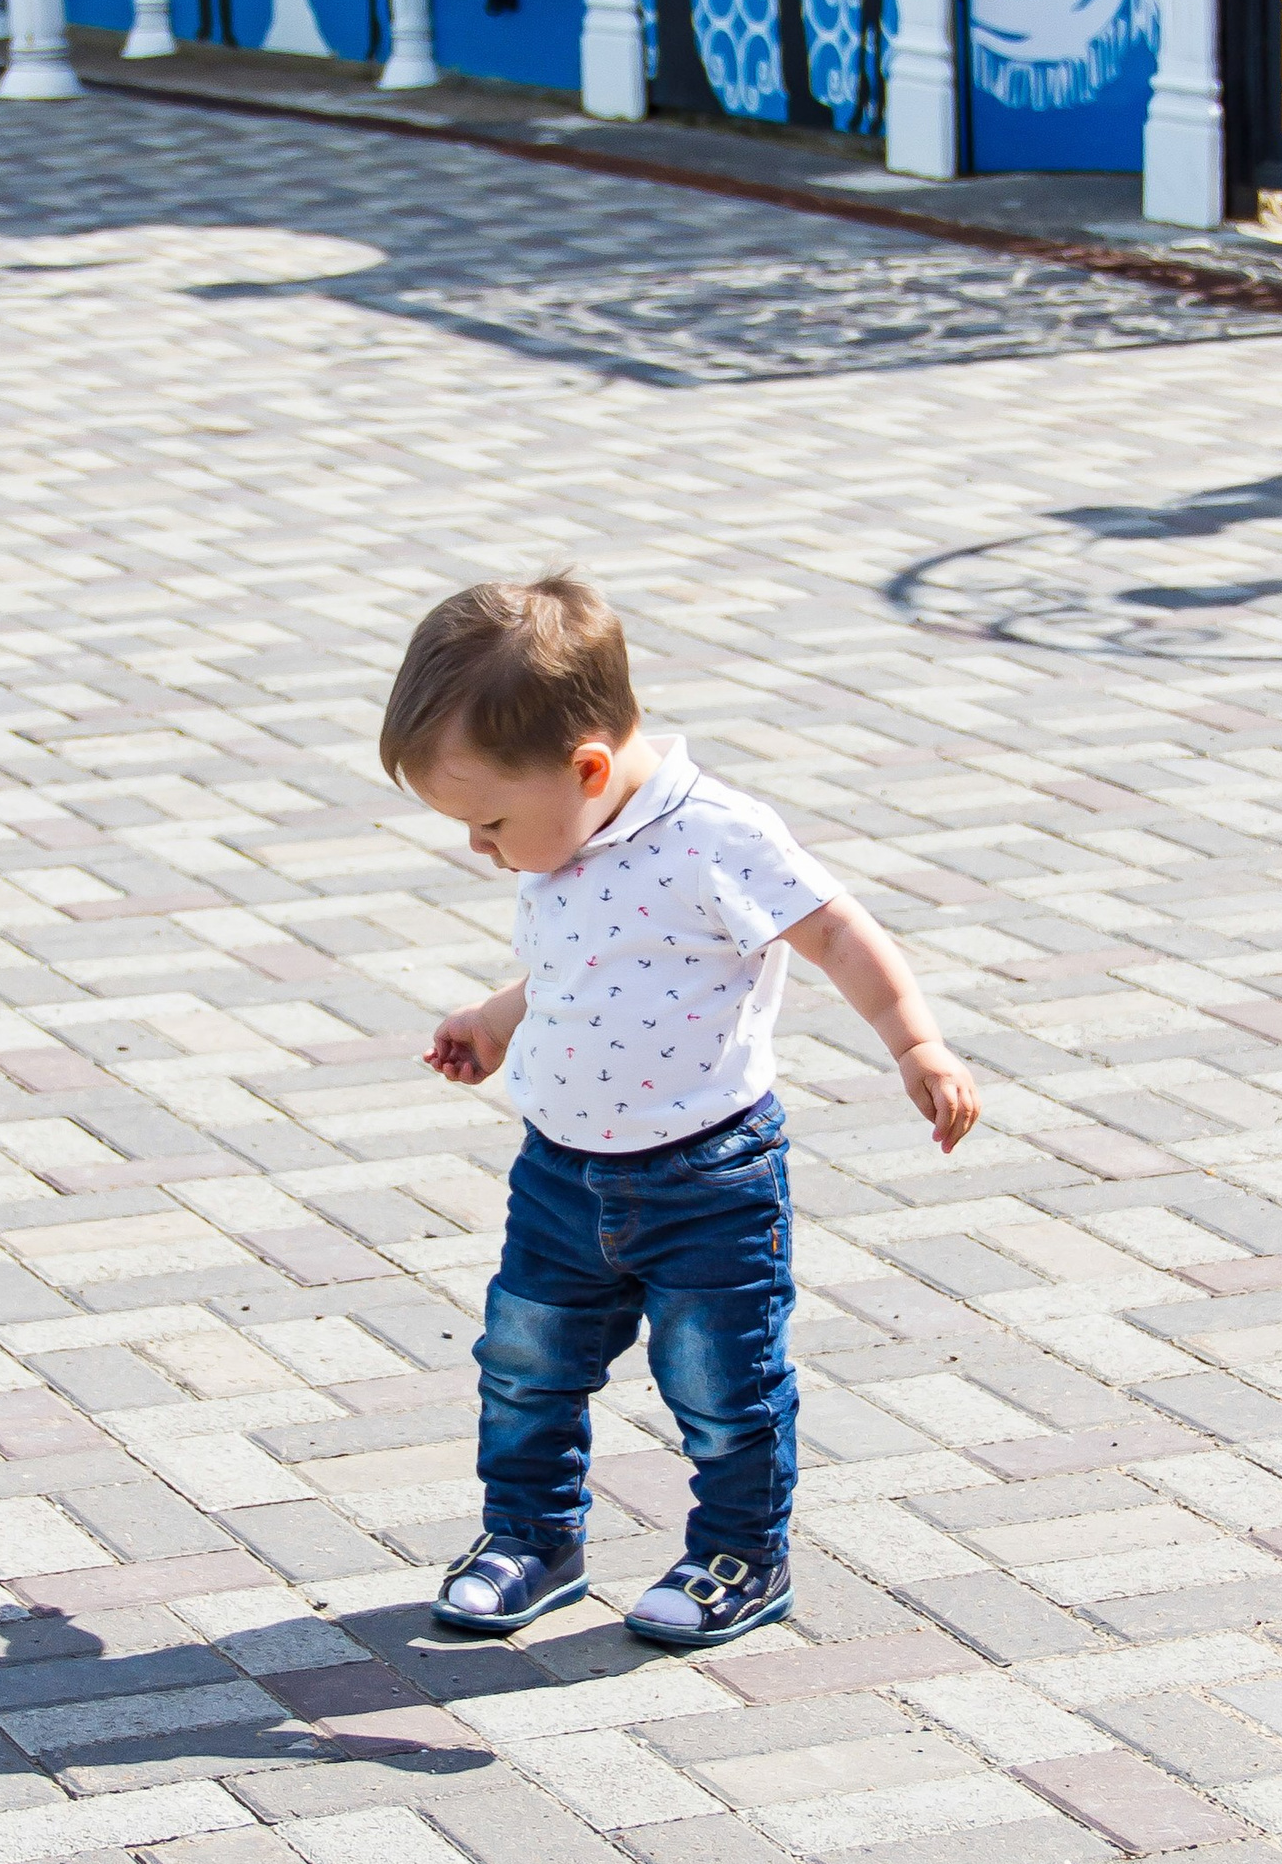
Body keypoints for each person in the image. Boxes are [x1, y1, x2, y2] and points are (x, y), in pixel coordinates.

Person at [383, 574, 980, 1652]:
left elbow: (839, 932)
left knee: (721, 1380)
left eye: (488, 822)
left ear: (589, 769)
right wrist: (494, 1016)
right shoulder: (566, 839)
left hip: (706, 1178)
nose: (480, 848)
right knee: (525, 1363)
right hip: (559, 1173)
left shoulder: (719, 837)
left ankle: (740, 1554)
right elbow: (574, 970)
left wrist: (916, 1042)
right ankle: (530, 1537)